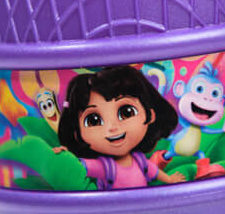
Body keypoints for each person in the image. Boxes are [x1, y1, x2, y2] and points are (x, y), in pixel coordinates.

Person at [53, 66, 186, 189]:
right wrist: (64, 155)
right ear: (77, 133)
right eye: (94, 121)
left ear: (150, 115)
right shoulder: (106, 167)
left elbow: (154, 171)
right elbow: (78, 165)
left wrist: (169, 179)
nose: (112, 127)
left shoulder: (140, 160)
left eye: (127, 112)